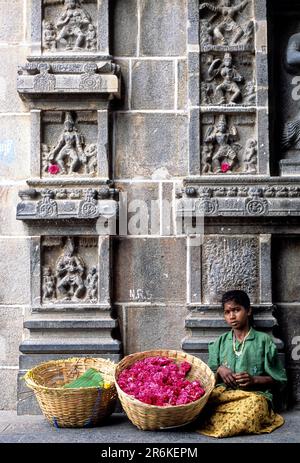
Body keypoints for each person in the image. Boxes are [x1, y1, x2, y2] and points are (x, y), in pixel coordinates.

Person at [197, 289, 287, 438]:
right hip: (225, 396)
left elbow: (279, 380)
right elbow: (207, 378)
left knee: (254, 407)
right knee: (202, 405)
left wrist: (254, 380)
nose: (232, 316)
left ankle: (227, 427)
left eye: (237, 310)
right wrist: (220, 370)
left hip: (252, 396)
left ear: (248, 311)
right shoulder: (220, 342)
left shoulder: (263, 341)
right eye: (227, 312)